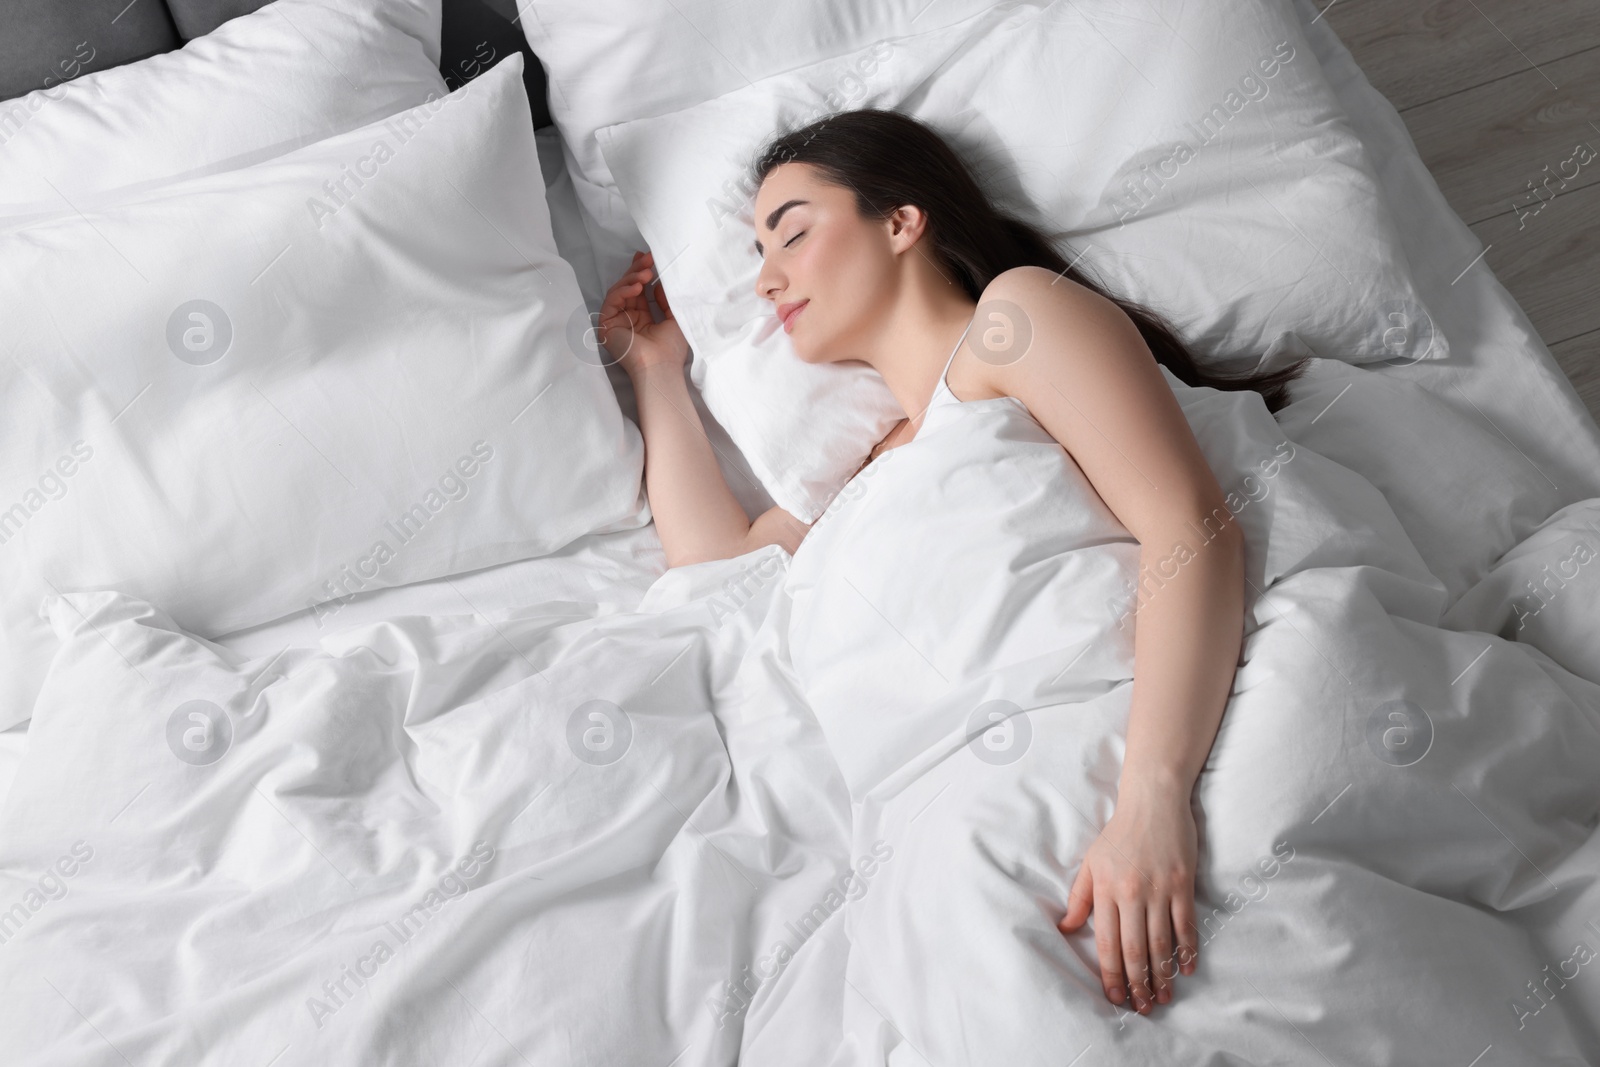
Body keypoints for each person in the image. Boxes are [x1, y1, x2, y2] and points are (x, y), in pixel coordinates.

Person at [596, 108, 1309, 1017]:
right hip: (937, 835)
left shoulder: (1014, 320)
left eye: (794, 233)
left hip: (1099, 765)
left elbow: (1190, 530)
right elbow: (714, 567)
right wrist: (653, 366)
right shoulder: (853, 475)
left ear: (901, 222)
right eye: (758, 259)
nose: (767, 280)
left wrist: (1151, 804)